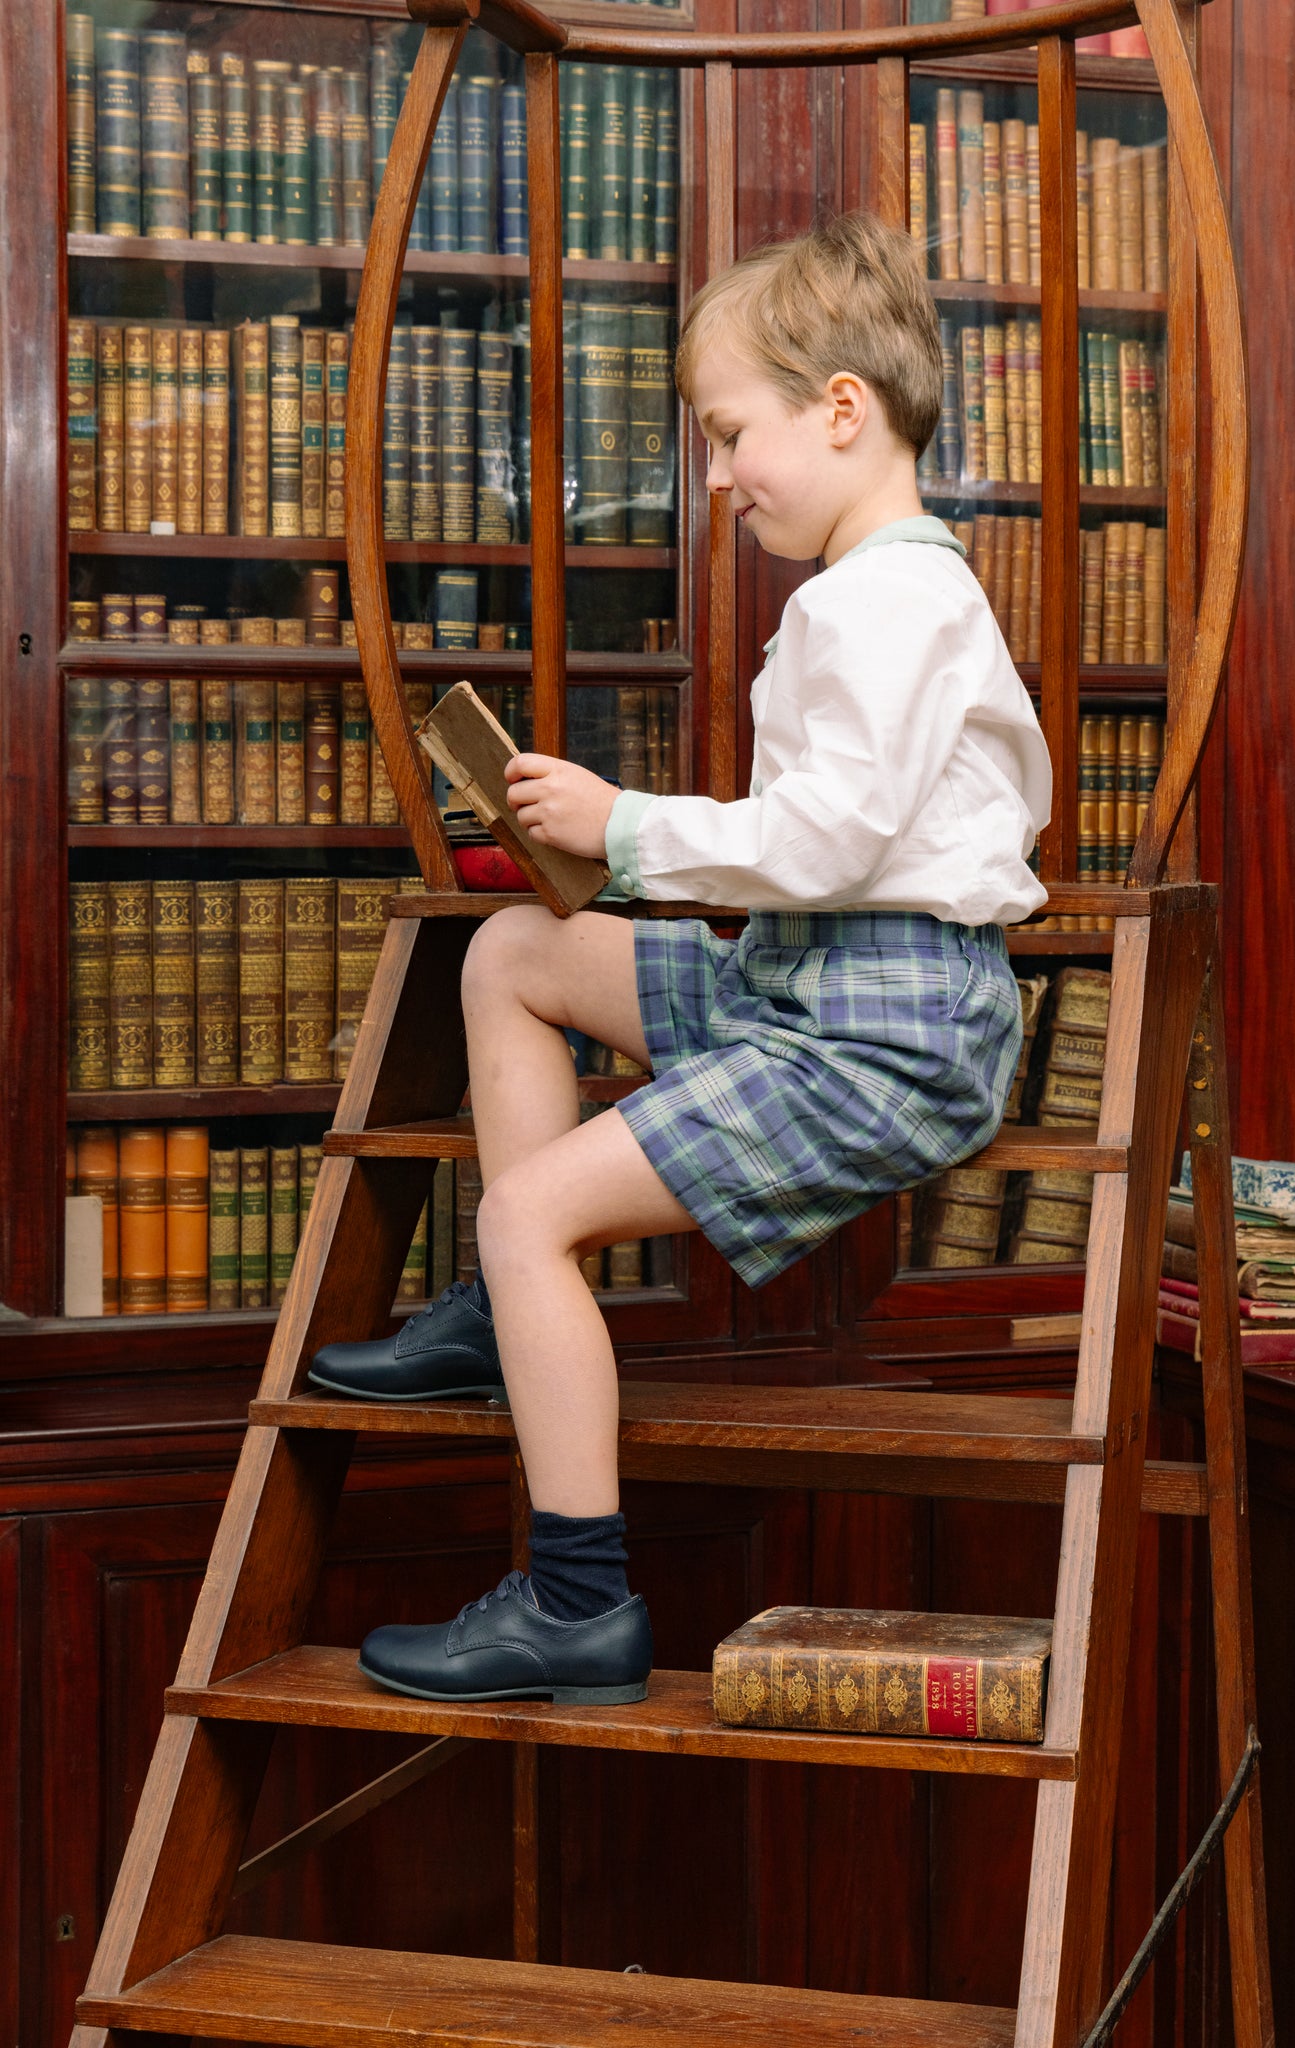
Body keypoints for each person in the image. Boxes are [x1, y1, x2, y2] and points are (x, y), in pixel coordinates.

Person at [309, 211, 1052, 1705]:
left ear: (841, 409)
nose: (715, 482)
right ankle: (501, 1315)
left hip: (881, 1034)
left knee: (528, 1215)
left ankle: (577, 1600)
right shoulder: (870, 593)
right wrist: (588, 858)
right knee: (519, 949)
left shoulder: (890, 602)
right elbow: (826, 852)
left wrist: (628, 829)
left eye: (728, 436)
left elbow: (832, 837)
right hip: (804, 984)